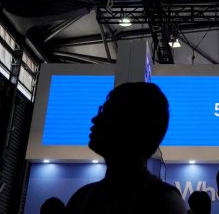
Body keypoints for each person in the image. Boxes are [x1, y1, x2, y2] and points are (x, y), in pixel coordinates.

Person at [65, 82, 186, 214]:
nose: (95, 119)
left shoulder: (164, 202)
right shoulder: (82, 197)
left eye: (106, 112)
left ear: (131, 126)